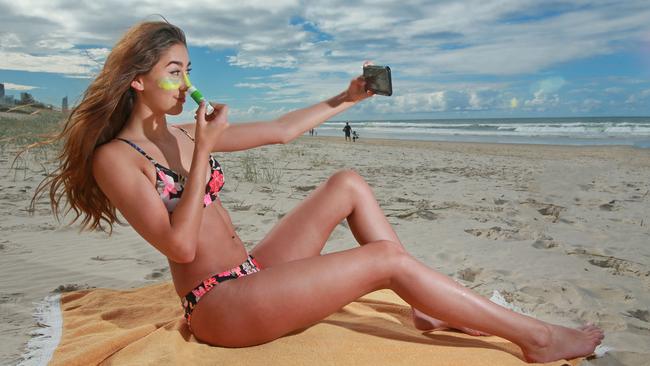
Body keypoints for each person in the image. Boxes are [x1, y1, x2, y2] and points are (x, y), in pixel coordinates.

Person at [33, 21, 602, 363]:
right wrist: (206, 149)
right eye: (175, 71)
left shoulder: (182, 135)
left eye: (187, 70)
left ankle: (428, 310)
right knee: (383, 260)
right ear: (138, 79)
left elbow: (281, 130)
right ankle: (537, 339)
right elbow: (179, 249)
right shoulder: (117, 159)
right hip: (216, 307)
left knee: (346, 184)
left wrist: (348, 97)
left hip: (250, 276)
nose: (187, 83)